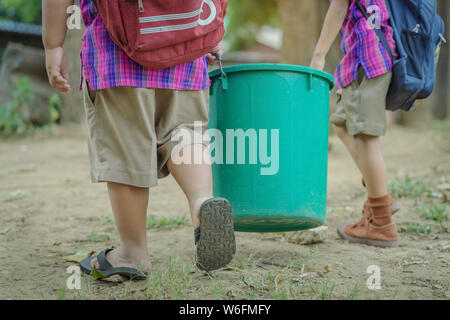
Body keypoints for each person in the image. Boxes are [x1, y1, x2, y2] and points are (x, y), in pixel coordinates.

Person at [42, 0, 236, 279]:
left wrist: (53, 44)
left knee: (126, 147)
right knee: (185, 135)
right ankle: (202, 203)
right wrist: (210, 32)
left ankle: (132, 252)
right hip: (185, 47)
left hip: (117, 54)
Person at [310, 0, 399, 247]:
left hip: (367, 56)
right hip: (365, 55)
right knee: (341, 123)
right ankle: (379, 193)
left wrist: (318, 55)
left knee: (366, 137)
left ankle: (381, 222)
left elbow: (338, 6)